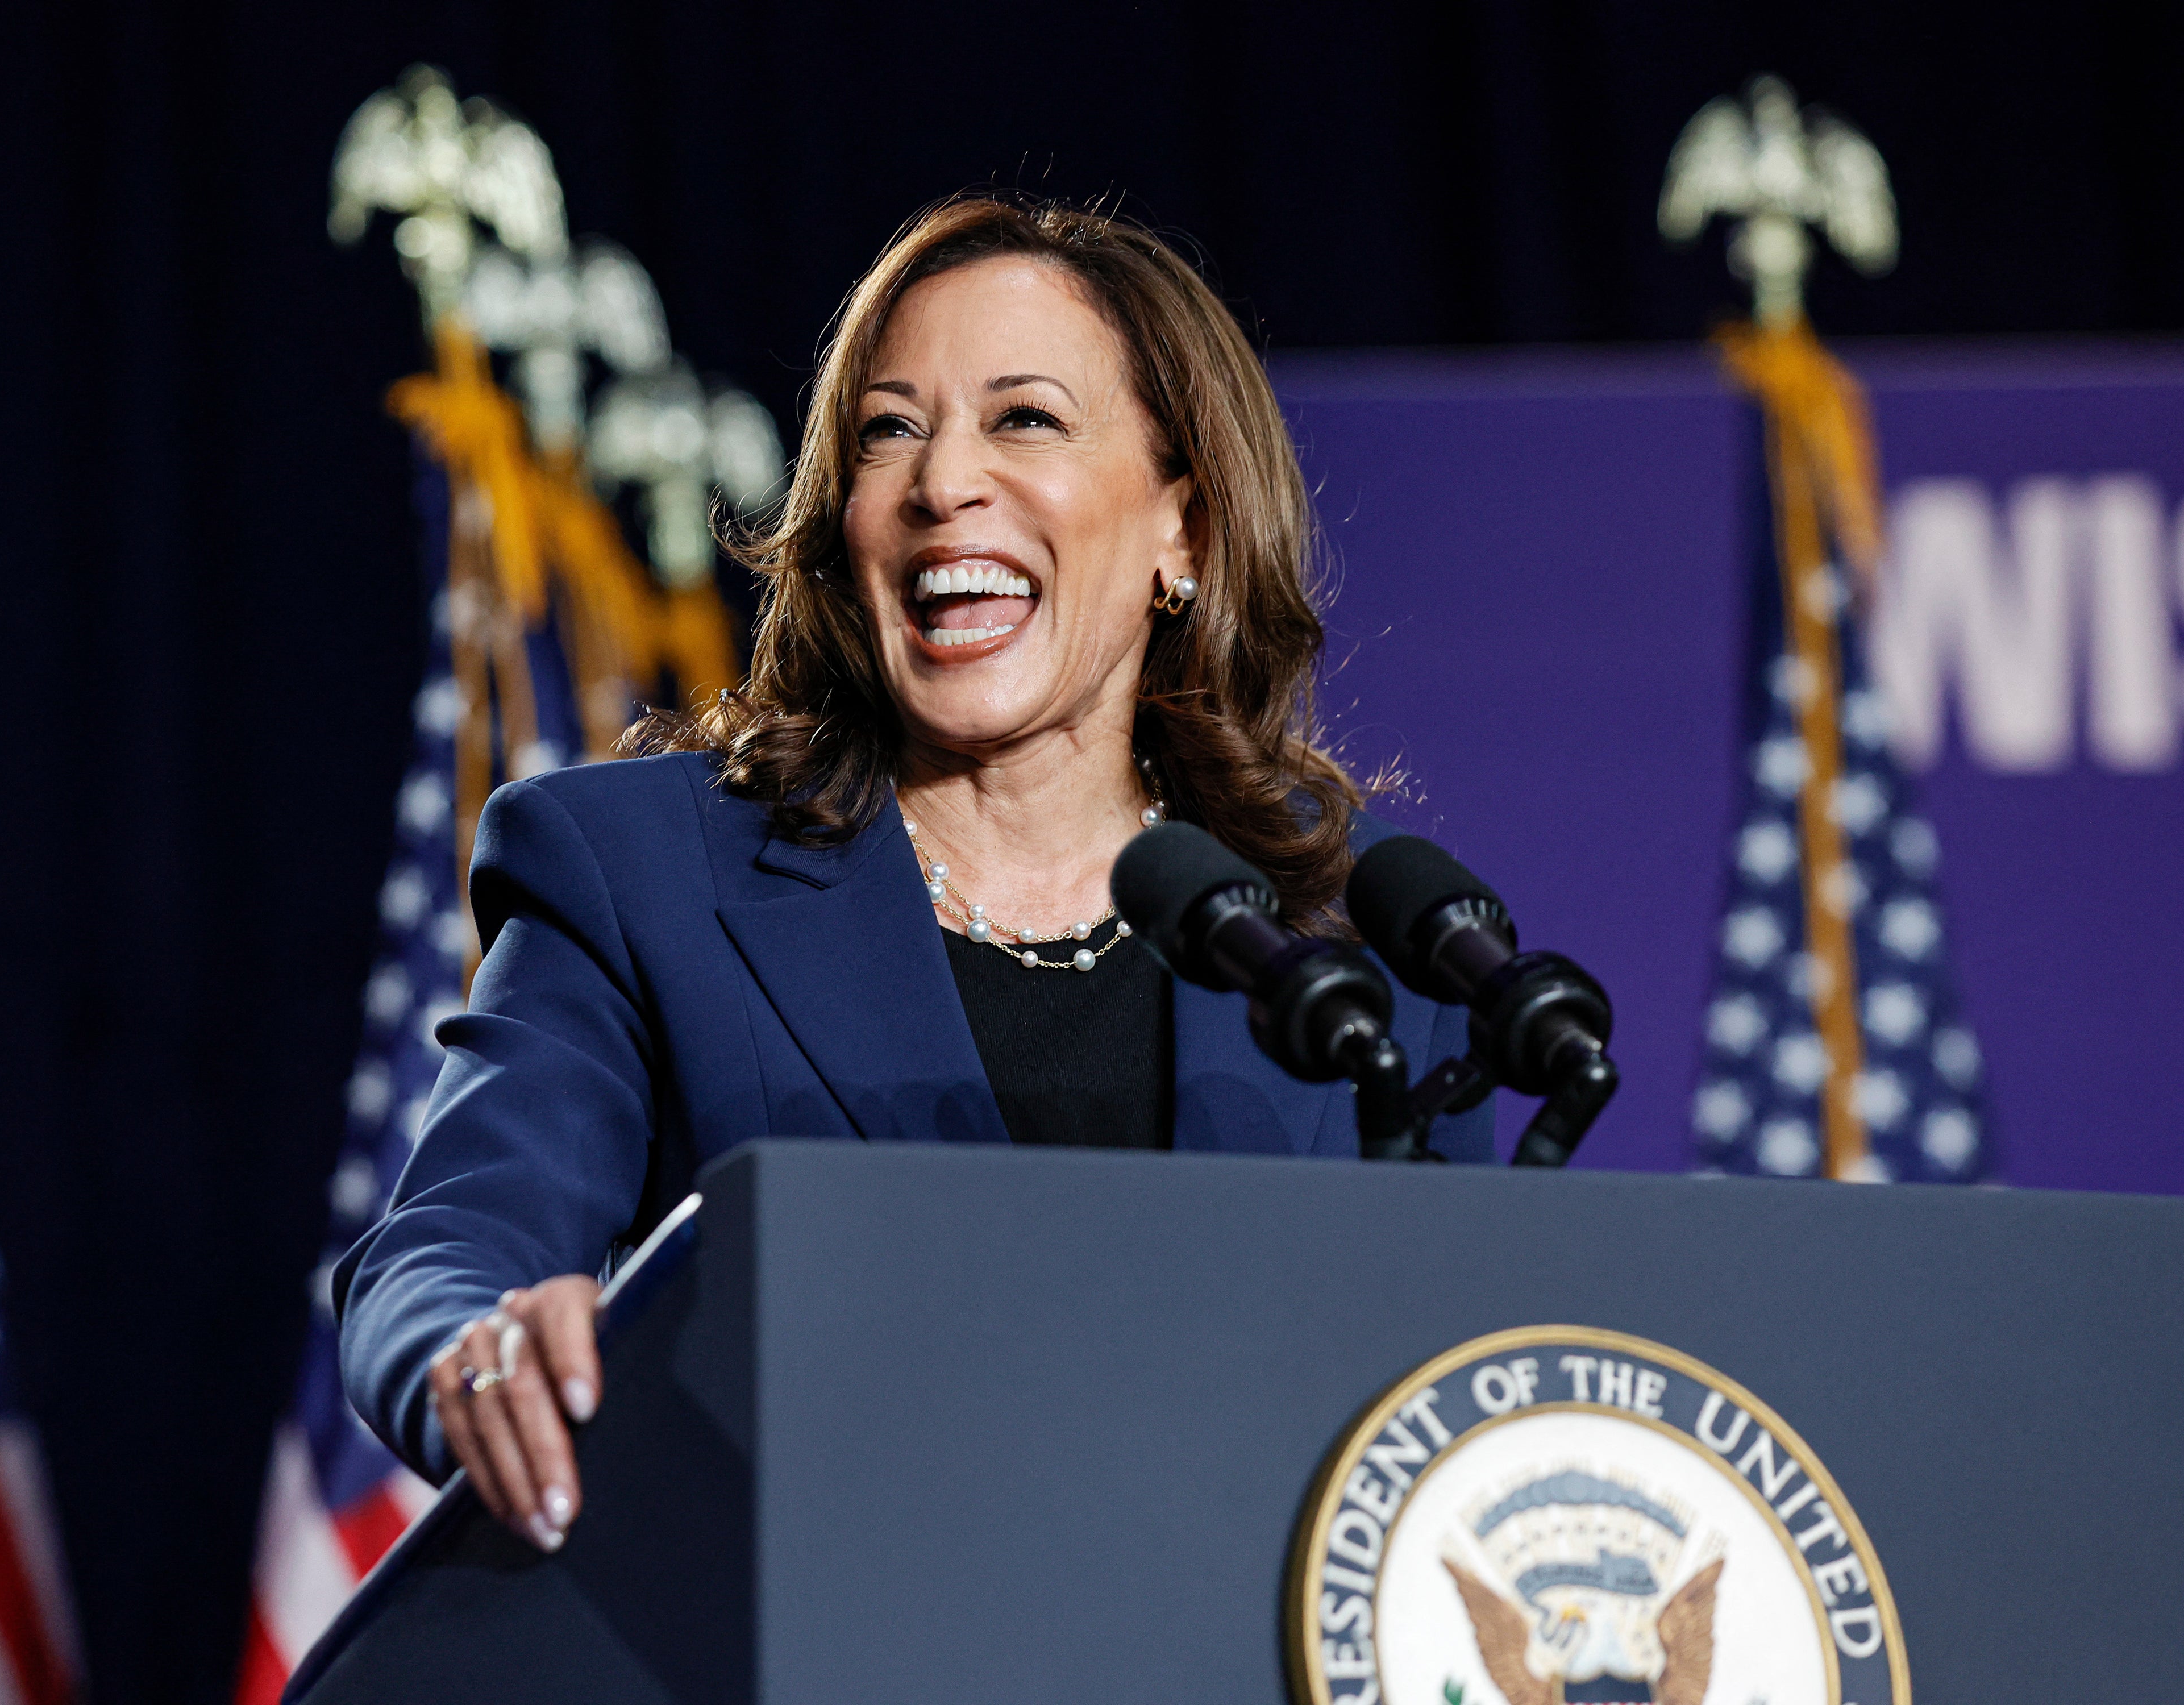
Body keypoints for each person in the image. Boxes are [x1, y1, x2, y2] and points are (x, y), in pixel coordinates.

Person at [334, 194, 1495, 1553]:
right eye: (890, 430)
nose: (944, 482)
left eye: (1026, 420)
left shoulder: (1353, 951)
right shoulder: (637, 874)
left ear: (1182, 523)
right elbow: (447, 1248)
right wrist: (476, 1352)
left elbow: (1473, 1391)